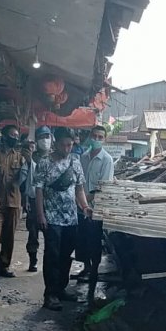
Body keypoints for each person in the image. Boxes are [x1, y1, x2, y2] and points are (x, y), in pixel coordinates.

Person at [34, 128, 92, 310]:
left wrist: (84, 206)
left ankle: (61, 288)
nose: (67, 148)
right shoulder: (44, 163)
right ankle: (50, 294)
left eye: (70, 145)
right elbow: (39, 190)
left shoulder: (75, 162)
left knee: (66, 255)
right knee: (52, 255)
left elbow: (79, 189)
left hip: (71, 218)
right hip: (51, 217)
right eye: (63, 145)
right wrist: (40, 214)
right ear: (55, 143)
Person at [78, 126, 114, 301]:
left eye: (100, 137)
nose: (97, 139)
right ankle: (85, 267)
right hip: (80, 205)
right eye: (94, 136)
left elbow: (104, 187)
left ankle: (93, 271)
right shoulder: (83, 157)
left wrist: (85, 197)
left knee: (94, 241)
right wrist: (81, 199)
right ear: (90, 137)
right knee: (82, 239)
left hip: (96, 207)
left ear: (104, 139)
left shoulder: (106, 159)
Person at [0, 124, 26, 278]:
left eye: (17, 135)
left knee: (9, 236)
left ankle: (3, 265)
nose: (15, 138)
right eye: (12, 134)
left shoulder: (20, 156)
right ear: (4, 136)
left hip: (14, 201)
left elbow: (26, 180)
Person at [23, 126, 52, 272]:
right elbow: (25, 181)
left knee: (50, 234)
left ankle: (49, 261)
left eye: (47, 136)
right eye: (42, 137)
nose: (45, 140)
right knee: (33, 233)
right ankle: (33, 260)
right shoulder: (31, 157)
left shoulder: (54, 157)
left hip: (50, 202)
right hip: (34, 201)